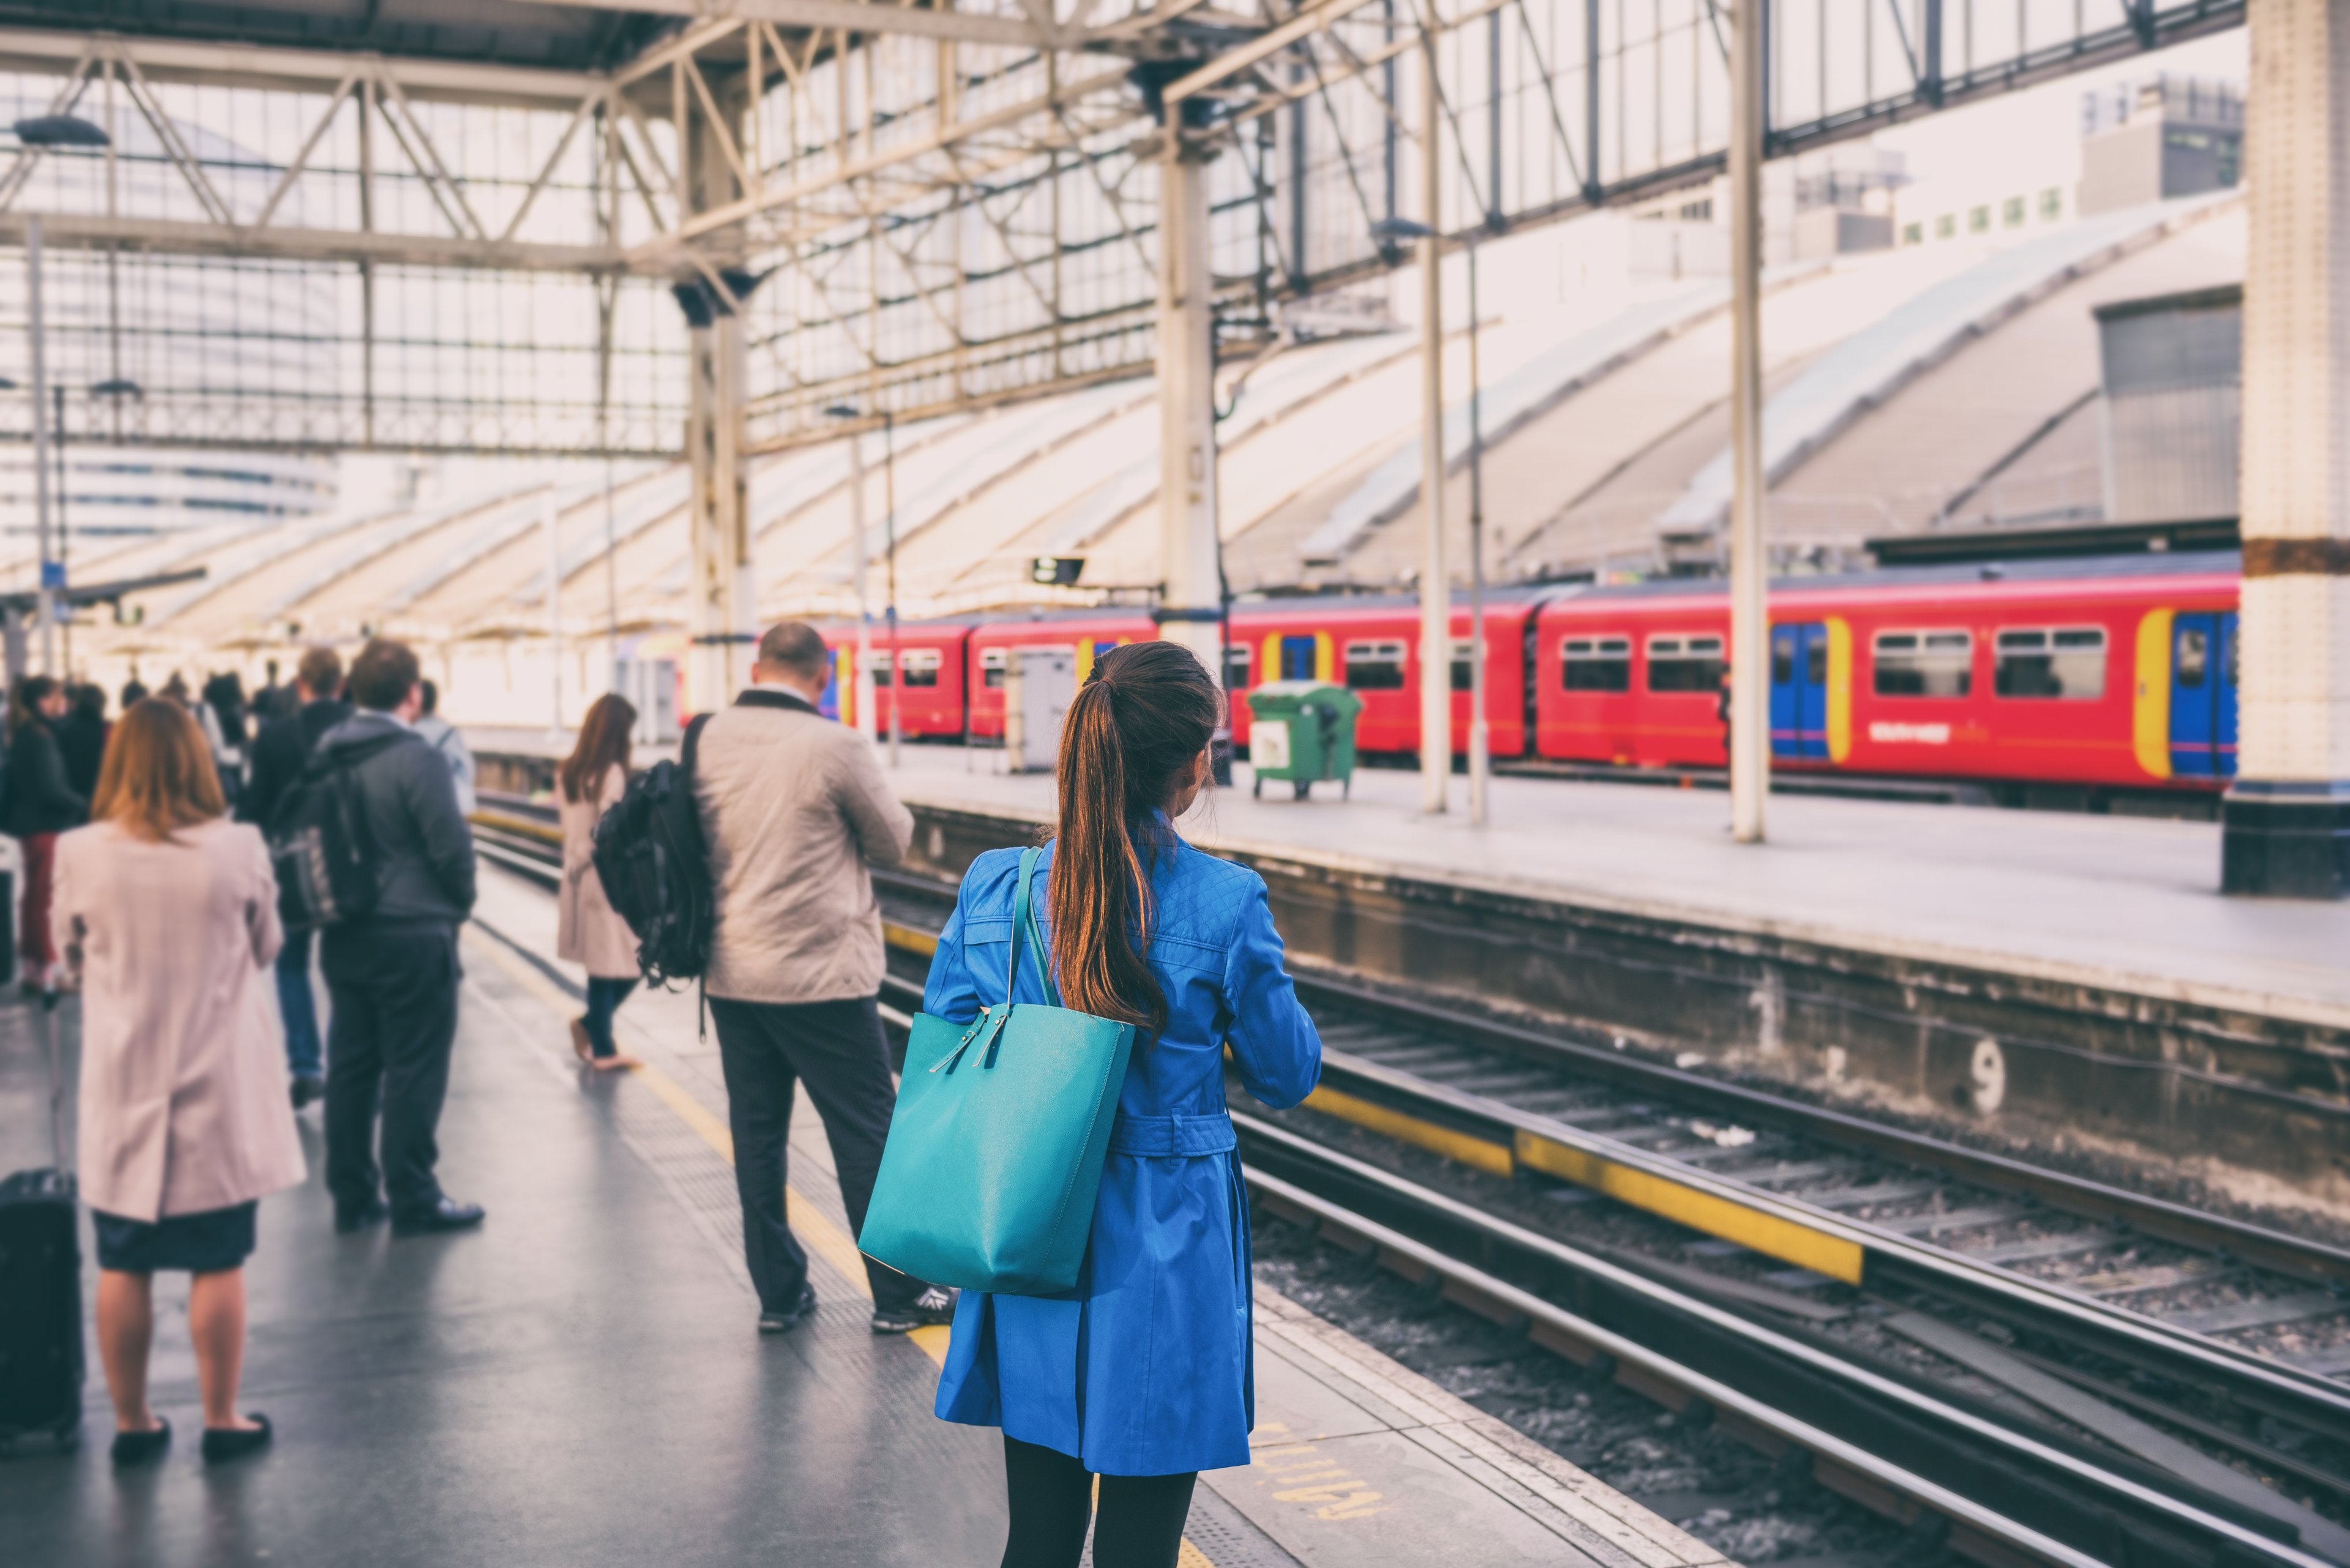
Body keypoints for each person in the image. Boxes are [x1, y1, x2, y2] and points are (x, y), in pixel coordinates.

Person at [924, 641, 1322, 1568]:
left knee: (1041, 1530)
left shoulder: (997, 883)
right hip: (1165, 1241)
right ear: (1190, 764)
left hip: (1027, 1219)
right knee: (1143, 1543)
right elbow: (1288, 1071)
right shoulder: (1227, 902)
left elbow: (945, 1032)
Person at [56, 698, 304, 1466]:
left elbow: (66, 961)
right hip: (216, 1090)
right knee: (218, 1258)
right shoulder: (238, 847)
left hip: (123, 1087)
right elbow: (267, 946)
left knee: (122, 1260)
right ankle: (221, 1419)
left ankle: (133, 1426)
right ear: (199, 761)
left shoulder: (79, 852)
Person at [694, 620, 950, 1336]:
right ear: (824, 673)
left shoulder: (706, 737)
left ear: (756, 664)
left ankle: (780, 1295)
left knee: (757, 1135)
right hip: (822, 977)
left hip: (734, 969)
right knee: (866, 1132)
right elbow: (892, 841)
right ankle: (901, 1296)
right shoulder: (832, 746)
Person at [315, 638, 482, 1236]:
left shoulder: (328, 751)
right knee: (413, 1067)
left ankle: (353, 1195)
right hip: (413, 934)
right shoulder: (418, 758)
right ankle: (414, 1196)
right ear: (413, 694)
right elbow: (451, 849)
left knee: (352, 1067)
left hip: (342, 934)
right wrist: (457, 906)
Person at [239, 646, 354, 1108]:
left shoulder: (273, 738)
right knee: (348, 969)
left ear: (301, 686)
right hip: (352, 869)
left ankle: (307, 1068)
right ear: (341, 684)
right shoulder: (362, 730)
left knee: (291, 966)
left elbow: (253, 812)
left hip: (291, 871)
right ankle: (349, 1067)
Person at [556, 693, 640, 1071]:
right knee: (629, 960)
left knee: (600, 963)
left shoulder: (568, 771)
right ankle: (601, 1044)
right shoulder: (612, 774)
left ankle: (596, 1032)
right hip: (605, 879)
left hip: (574, 876)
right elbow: (608, 830)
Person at [4, 675, 88, 993]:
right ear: (42, 702)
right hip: (45, 825)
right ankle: (49, 973)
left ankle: (33, 970)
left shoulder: (23, 734)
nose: (63, 703)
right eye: (57, 697)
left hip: (30, 826)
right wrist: (83, 803)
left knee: (32, 900)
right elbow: (52, 788)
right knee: (46, 901)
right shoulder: (40, 737)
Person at [411, 679, 477, 818]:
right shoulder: (450, 732)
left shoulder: (409, 733)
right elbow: (467, 768)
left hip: (424, 806)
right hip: (457, 803)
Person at [55, 684, 109, 804]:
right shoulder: (109, 731)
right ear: (102, 705)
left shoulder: (63, 731)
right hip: (102, 795)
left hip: (72, 798)